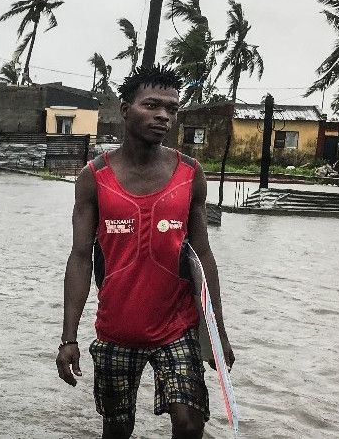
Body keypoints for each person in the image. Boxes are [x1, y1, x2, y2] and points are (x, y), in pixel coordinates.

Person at [56, 65, 234, 439]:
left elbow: (203, 255)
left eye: (171, 109)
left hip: (177, 327)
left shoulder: (190, 173)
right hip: (117, 329)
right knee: (117, 429)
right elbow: (79, 258)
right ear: (125, 109)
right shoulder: (94, 177)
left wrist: (217, 334)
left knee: (189, 422)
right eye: (152, 105)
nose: (163, 116)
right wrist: (68, 338)